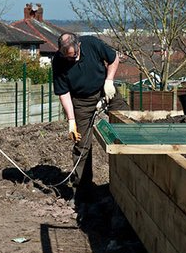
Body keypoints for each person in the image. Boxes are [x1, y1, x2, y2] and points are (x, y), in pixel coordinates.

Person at [52, 32, 129, 205]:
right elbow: (63, 92)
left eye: (75, 56)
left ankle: (131, 175)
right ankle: (83, 192)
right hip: (80, 100)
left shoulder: (92, 44)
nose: (73, 60)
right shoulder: (58, 61)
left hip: (104, 88)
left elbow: (114, 58)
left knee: (126, 119)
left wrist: (109, 81)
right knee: (81, 144)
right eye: (69, 58)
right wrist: (71, 121)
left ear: (78, 45)